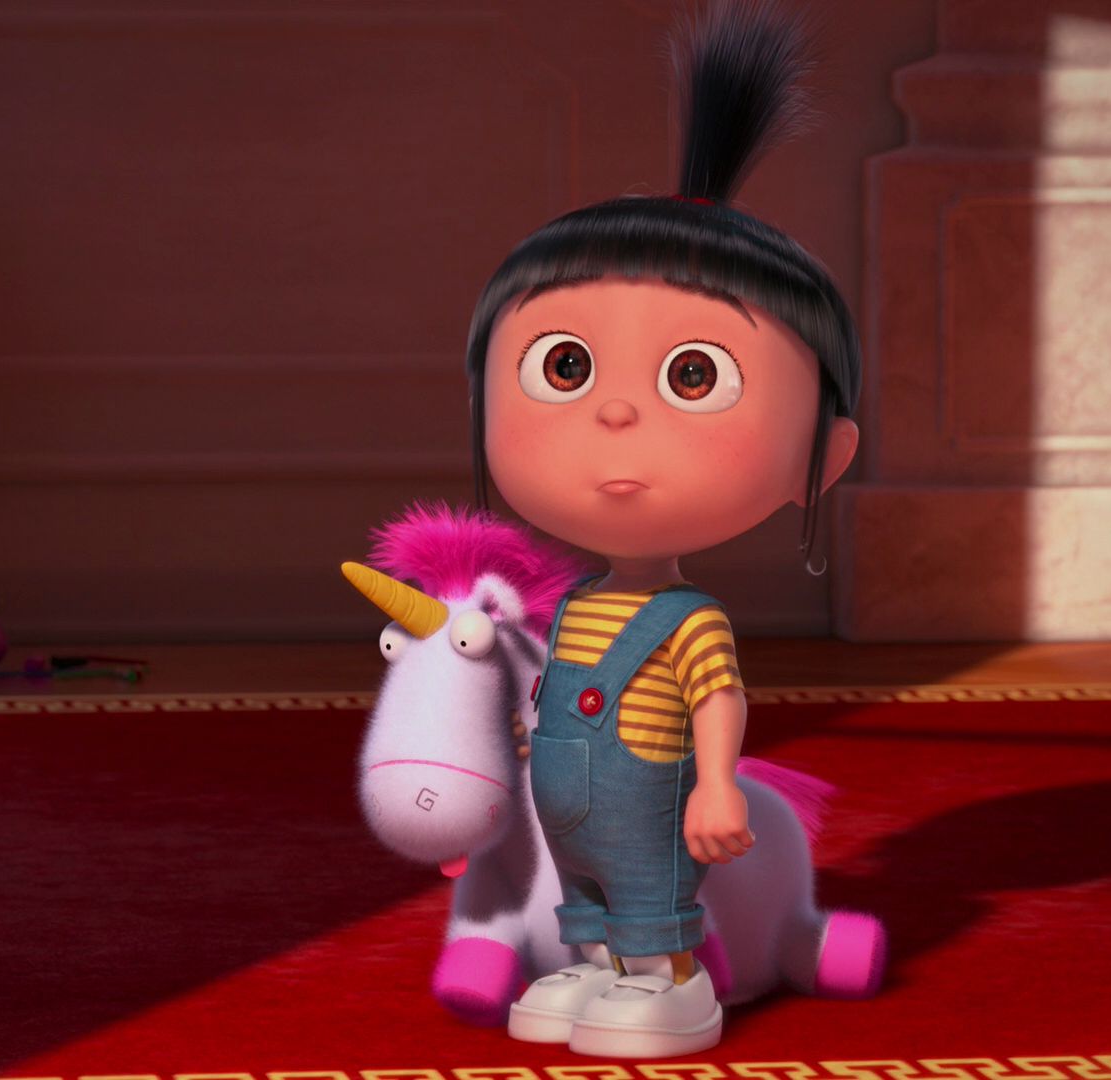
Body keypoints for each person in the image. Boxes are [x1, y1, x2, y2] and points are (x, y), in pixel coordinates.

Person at [463, 0, 864, 1058]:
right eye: (564, 367)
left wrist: (720, 782)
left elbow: (716, 699)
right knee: (589, 896)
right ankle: (595, 964)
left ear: (822, 459)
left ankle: (672, 980)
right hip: (568, 811)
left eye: (693, 376)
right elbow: (546, 695)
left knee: (649, 891)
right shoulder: (578, 606)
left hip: (651, 801)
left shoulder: (689, 620)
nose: (614, 411)